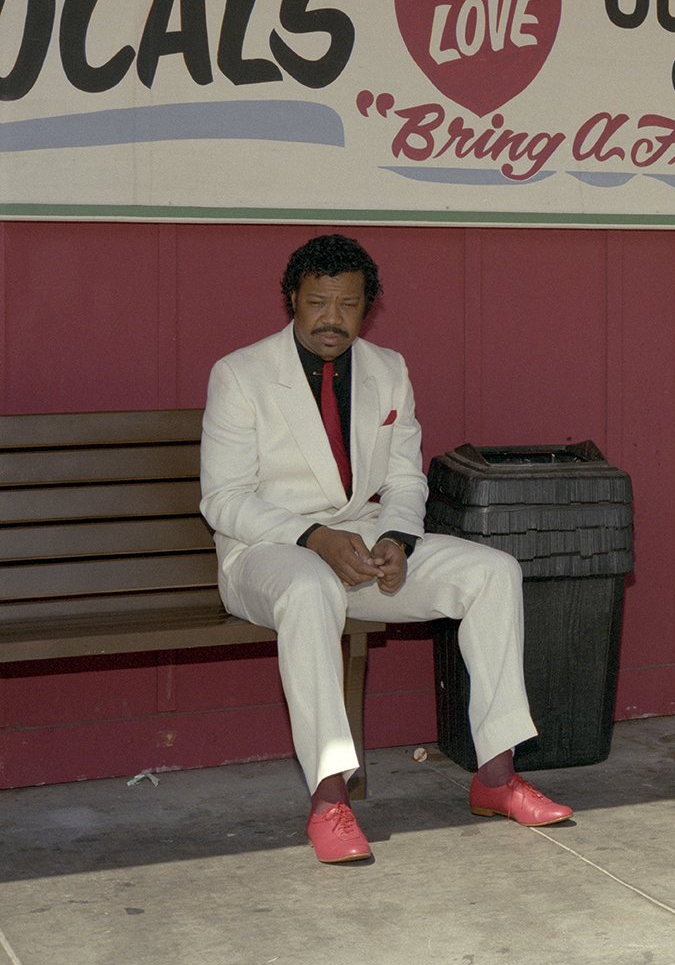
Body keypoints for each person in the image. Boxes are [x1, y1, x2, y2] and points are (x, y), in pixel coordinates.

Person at [200, 233, 571, 863]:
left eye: (348, 304)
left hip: (368, 541)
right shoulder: (240, 374)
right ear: (293, 298)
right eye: (318, 302)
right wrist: (313, 537)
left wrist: (399, 539)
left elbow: (404, 479)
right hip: (266, 550)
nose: (331, 319)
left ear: (367, 306)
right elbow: (224, 499)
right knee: (311, 585)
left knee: (493, 572)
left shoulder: (388, 368)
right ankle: (328, 799)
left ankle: (497, 778)